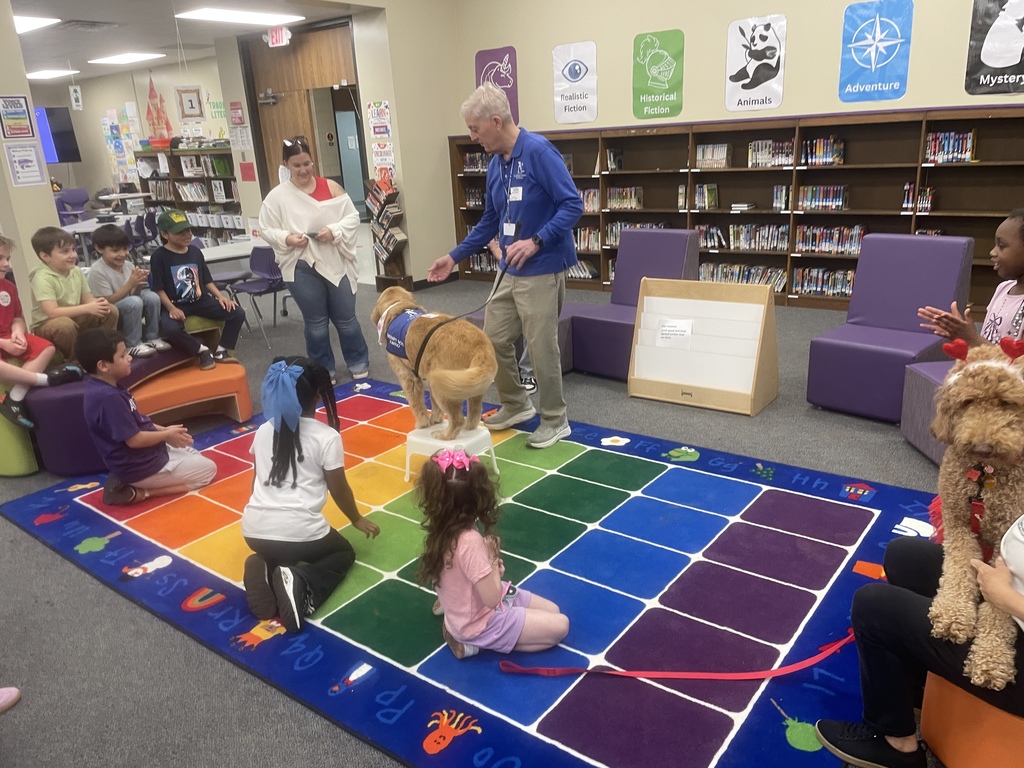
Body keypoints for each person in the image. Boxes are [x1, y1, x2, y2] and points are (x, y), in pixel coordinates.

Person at [428, 83, 583, 449]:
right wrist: (454, 256)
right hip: (508, 270)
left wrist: (537, 240)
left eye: (475, 129)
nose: (472, 137)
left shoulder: (540, 152)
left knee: (541, 346)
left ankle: (555, 419)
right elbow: (490, 221)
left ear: (496, 122)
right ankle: (516, 405)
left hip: (543, 266)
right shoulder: (496, 164)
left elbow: (572, 205)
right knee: (493, 339)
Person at [815, 536, 1024, 768]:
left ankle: (895, 744)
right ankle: (917, 686)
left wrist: (1005, 598)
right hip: (1011, 588)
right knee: (905, 556)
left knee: (874, 607)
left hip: (1011, 633)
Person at [241, 357, 380, 632]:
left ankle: (265, 565)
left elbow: (256, 480)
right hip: (301, 533)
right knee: (342, 553)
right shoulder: (326, 436)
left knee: (283, 550)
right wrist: (355, 518)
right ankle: (301, 581)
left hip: (253, 531)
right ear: (318, 395)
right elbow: (338, 487)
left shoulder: (264, 430)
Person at [416, 448, 569, 659]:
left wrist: (490, 567)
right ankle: (474, 644)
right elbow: (492, 598)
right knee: (561, 626)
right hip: (480, 622)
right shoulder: (469, 541)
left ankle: (455, 625)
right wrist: (492, 559)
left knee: (553, 609)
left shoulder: (443, 529)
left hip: (469, 611)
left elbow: (460, 579)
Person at [258, 136, 369, 385]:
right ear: (286, 165)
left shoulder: (331, 187)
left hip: (335, 260)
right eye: (296, 165)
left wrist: (334, 230)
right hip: (301, 264)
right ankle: (323, 369)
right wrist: (287, 238)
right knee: (316, 322)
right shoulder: (277, 197)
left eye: (307, 163)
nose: (303, 170)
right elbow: (266, 229)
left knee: (346, 318)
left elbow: (351, 218)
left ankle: (358, 362)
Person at [75, 328, 217, 506]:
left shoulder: (109, 386)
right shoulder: (108, 398)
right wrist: (166, 435)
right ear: (103, 366)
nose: (129, 358)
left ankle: (128, 479)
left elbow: (137, 420)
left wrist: (166, 431)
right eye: (122, 355)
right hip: (140, 466)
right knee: (208, 471)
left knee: (191, 450)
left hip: (146, 457)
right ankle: (139, 492)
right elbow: (134, 440)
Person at [0, 235, 83, 429]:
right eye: (0, 259)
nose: (6, 264)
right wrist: (3, 344)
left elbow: (17, 317)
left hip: (8, 335)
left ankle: (15, 397)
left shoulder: (9, 287)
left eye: (8, 259)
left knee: (46, 348)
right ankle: (46, 380)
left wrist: (18, 333)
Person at [149, 210, 246, 370]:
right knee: (171, 329)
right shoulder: (159, 256)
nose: (187, 235)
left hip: (200, 300)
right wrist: (171, 308)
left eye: (188, 230)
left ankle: (222, 351)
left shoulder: (195, 252)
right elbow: (158, 288)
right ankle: (202, 350)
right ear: (165, 234)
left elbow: (206, 280)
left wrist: (220, 296)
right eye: (179, 232)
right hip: (175, 303)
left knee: (237, 312)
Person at [918, 209, 1024, 346]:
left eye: (1002, 246)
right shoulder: (1003, 288)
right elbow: (988, 342)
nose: (993, 252)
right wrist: (963, 336)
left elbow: (1019, 364)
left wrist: (973, 339)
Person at [28, 226, 119, 362]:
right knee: (64, 325)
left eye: (73, 250)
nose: (73, 255)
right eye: (65, 252)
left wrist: (97, 304)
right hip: (48, 323)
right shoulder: (41, 277)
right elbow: (52, 312)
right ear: (45, 256)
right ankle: (76, 361)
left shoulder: (76, 271)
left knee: (110, 310)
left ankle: (104, 352)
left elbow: (87, 298)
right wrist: (87, 308)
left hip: (74, 316)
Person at [86, 223, 172, 359]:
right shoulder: (97, 271)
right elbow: (106, 302)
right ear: (99, 248)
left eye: (125, 249)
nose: (122, 254)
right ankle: (132, 344)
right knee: (133, 302)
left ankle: (152, 337)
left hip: (130, 307)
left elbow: (134, 296)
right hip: (111, 313)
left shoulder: (128, 265)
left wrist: (138, 283)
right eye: (115, 250)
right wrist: (130, 283)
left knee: (152, 296)